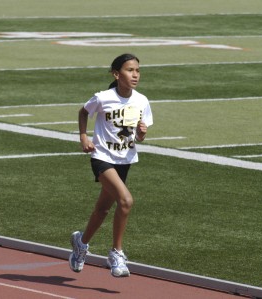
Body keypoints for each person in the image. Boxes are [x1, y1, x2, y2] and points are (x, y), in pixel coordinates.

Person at [69, 53, 153, 278]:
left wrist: (142, 134)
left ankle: (81, 242)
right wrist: (83, 137)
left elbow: (139, 136)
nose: (135, 74)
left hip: (124, 160)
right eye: (129, 70)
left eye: (137, 70)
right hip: (102, 157)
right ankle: (116, 253)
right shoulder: (103, 97)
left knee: (103, 209)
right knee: (125, 200)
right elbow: (84, 111)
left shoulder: (142, 101)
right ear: (117, 74)